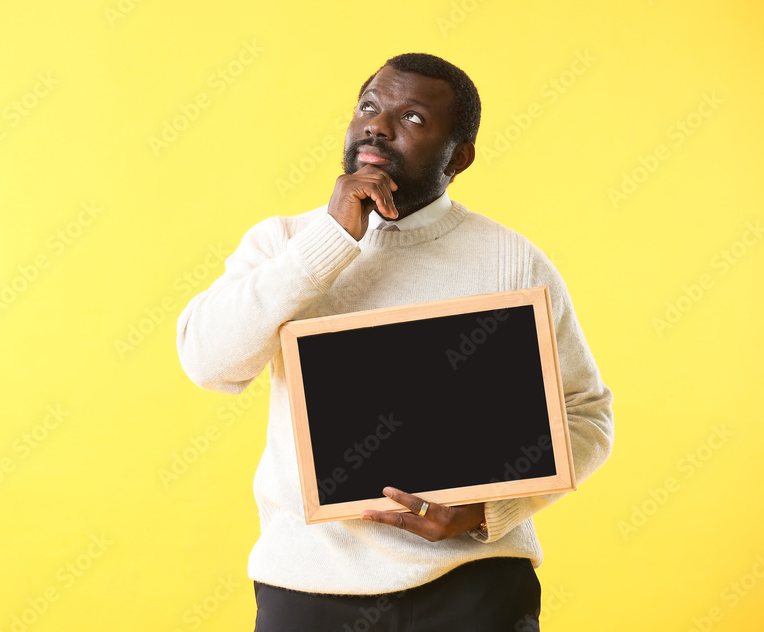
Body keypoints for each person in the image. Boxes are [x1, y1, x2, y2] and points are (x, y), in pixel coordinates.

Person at [176, 53, 614, 631]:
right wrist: (330, 240)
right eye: (368, 108)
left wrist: (488, 511)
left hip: (473, 587)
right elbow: (209, 362)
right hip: (308, 587)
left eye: (411, 119)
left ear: (458, 157)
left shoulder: (512, 261)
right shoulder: (284, 241)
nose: (377, 126)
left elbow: (586, 415)